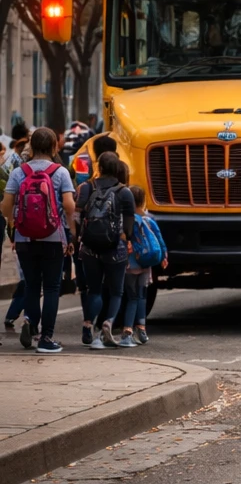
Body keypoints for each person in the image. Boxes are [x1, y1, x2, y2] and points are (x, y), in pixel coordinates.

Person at [0, 127, 77, 352]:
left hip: (24, 238)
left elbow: (6, 207)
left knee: (32, 286)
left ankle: (30, 324)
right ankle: (46, 339)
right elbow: (70, 206)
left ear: (31, 147)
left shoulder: (18, 172)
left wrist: (16, 226)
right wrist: (70, 231)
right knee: (52, 287)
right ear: (54, 147)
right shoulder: (60, 172)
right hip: (53, 237)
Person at [77, 150, 135, 349]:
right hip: (115, 248)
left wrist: (78, 237)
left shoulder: (86, 187)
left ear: (98, 167)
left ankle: (87, 324)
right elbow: (128, 225)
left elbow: (78, 215)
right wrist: (126, 239)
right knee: (116, 291)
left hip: (89, 248)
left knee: (94, 290)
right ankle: (107, 323)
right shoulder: (124, 192)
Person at [123, 185, 167, 345]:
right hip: (145, 263)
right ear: (143, 201)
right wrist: (163, 255)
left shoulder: (126, 219)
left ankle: (127, 331)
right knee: (142, 296)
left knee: (131, 298)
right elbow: (159, 238)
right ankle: (141, 329)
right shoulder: (149, 219)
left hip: (129, 264)